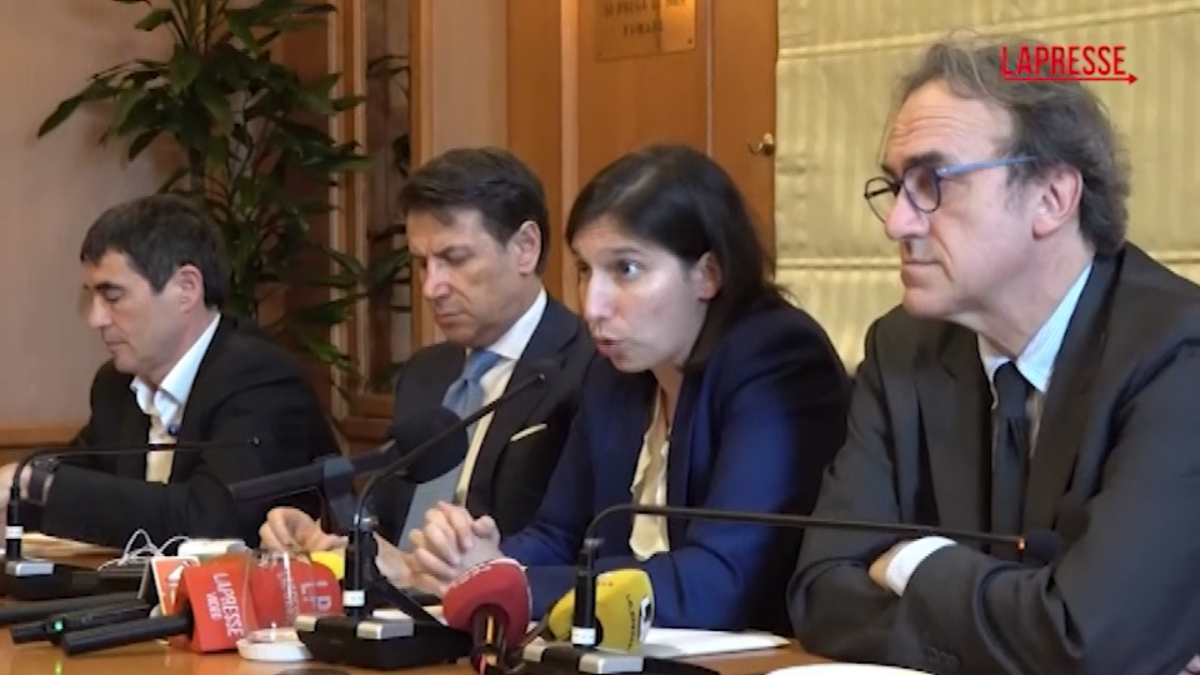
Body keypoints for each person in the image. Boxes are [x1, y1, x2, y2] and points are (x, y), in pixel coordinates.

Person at [787, 33, 1200, 675]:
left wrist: (914, 562)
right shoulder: (901, 347)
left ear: (1051, 198)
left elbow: (1085, 639)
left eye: (933, 182)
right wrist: (1032, 622)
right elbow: (820, 595)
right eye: (895, 186)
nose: (897, 223)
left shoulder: (1177, 353)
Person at [386, 143, 851, 632]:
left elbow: (719, 582)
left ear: (707, 274)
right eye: (585, 270)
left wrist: (512, 582)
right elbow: (558, 536)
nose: (593, 306)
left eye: (626, 269)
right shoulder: (615, 373)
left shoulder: (776, 360)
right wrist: (480, 559)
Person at [259, 147, 595, 551]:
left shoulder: (587, 369)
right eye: (421, 264)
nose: (431, 288)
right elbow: (385, 530)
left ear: (525, 247)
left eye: (455, 259)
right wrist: (329, 539)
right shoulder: (424, 373)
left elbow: (568, 544)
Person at [0, 193, 338, 548]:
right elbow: (84, 483)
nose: (94, 319)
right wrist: (19, 498)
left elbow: (210, 520)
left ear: (186, 289)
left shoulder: (260, 378)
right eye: (91, 297)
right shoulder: (116, 385)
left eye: (112, 297)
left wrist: (41, 484)